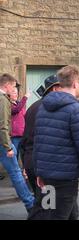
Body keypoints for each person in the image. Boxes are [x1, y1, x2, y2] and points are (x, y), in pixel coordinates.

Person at [32, 65, 79, 220]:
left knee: (53, 211)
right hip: (65, 179)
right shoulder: (77, 110)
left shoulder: (43, 107)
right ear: (76, 84)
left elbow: (38, 141)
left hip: (47, 176)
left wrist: (39, 171)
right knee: (57, 216)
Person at [20, 75, 61, 194]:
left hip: (31, 161)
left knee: (41, 202)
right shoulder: (51, 108)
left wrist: (25, 164)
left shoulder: (33, 107)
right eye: (62, 87)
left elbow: (25, 139)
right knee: (48, 205)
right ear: (54, 88)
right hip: (44, 164)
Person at [0, 73, 34, 214]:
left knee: (16, 173)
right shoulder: (2, 100)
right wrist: (8, 147)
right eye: (13, 86)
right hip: (4, 143)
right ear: (6, 85)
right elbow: (3, 126)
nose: (14, 89)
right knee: (16, 174)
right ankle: (31, 205)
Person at [9, 86, 30, 161]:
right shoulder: (8, 104)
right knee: (15, 156)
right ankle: (16, 172)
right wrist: (25, 97)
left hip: (23, 135)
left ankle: (25, 171)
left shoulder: (19, 104)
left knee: (25, 155)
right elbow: (16, 110)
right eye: (14, 92)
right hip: (14, 136)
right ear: (9, 94)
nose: (16, 95)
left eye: (17, 93)